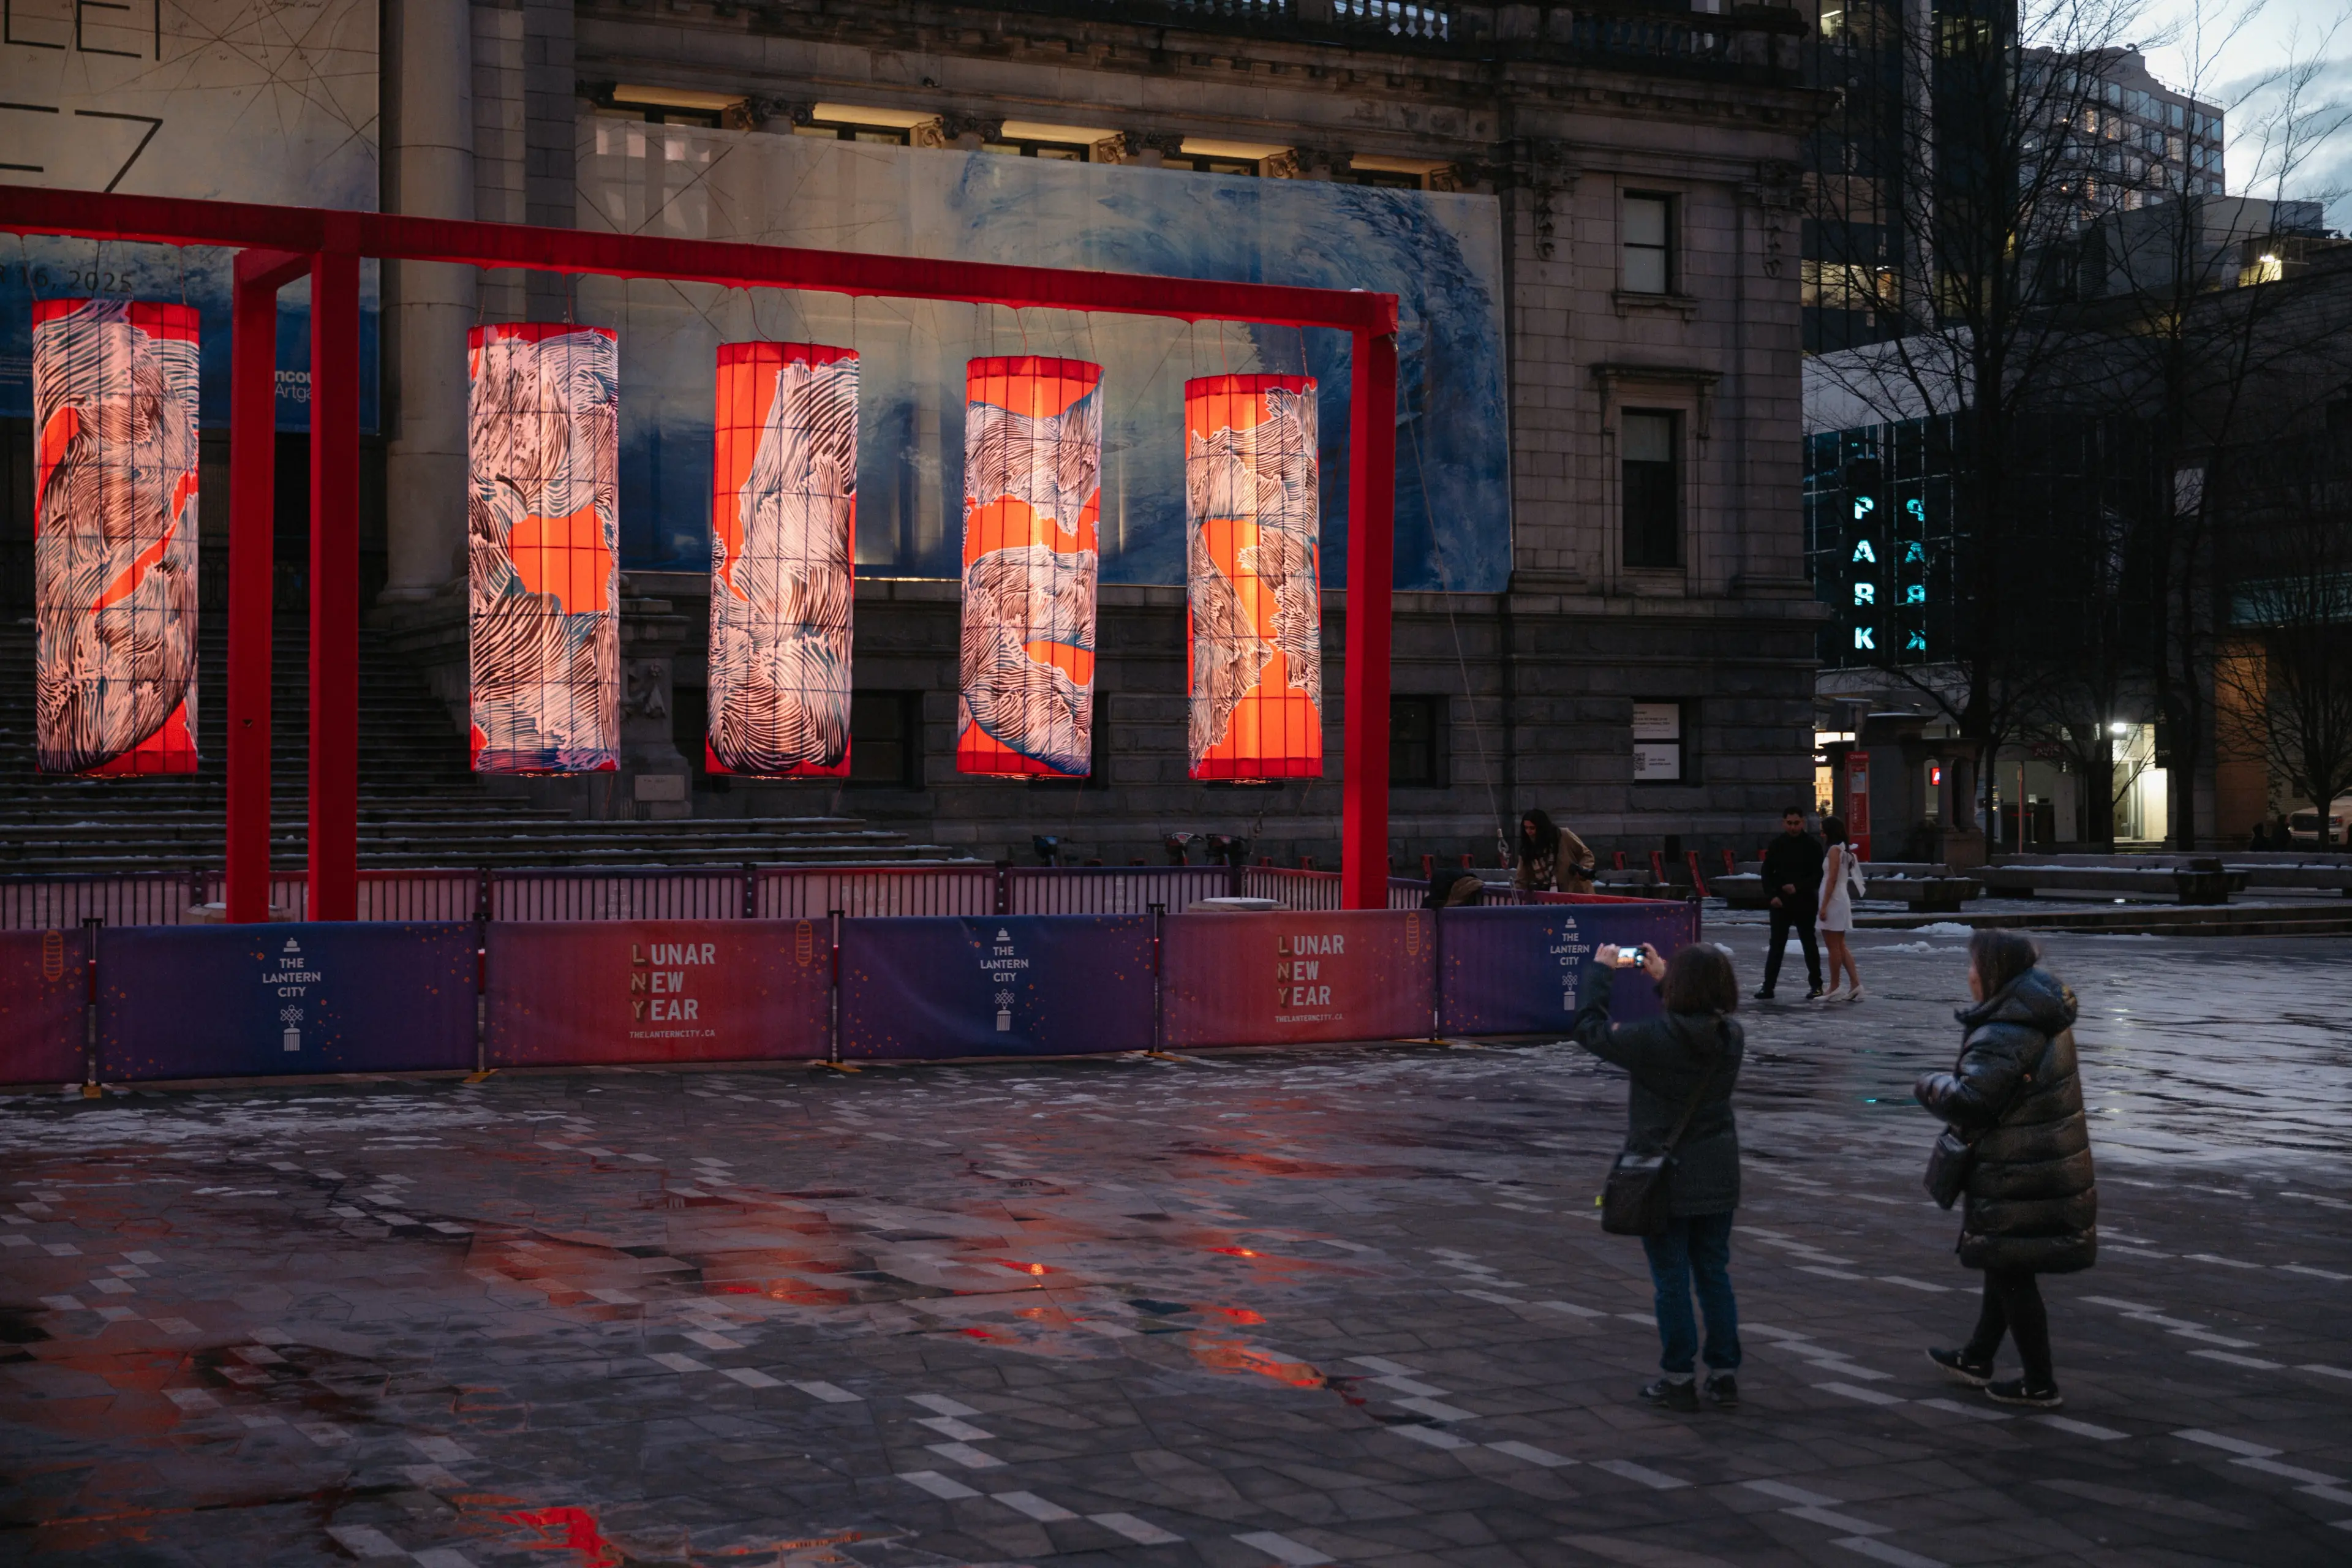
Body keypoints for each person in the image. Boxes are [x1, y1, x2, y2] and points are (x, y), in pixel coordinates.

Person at [1914, 930, 2097, 1409]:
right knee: (2005, 1263)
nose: (1969, 975)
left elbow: (1973, 1100)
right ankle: (1977, 1356)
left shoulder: (2008, 1028)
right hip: (2037, 1162)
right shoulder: (2035, 1012)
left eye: (1974, 965)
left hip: (2019, 1169)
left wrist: (1930, 1084)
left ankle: (2040, 1383)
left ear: (1993, 971)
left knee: (2013, 1274)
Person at [1571, 940, 1746, 1413]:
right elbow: (1696, 1018)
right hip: (1717, 1174)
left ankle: (1678, 1375)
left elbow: (1589, 1030)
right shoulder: (1731, 1036)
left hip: (1662, 1177)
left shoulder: (1653, 1040)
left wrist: (1601, 972)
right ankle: (1725, 1372)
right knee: (1714, 1273)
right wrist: (1667, 977)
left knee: (1671, 1280)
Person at [1756, 808, 1825, 1000]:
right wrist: (1773, 896)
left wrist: (1798, 887)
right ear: (1783, 823)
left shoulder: (1812, 845)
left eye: (1796, 823)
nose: (1793, 827)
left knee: (1809, 944)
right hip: (1780, 903)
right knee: (1776, 945)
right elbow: (1767, 873)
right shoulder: (1777, 844)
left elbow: (1818, 875)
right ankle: (1768, 986)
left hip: (1804, 902)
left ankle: (1816, 985)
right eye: (1789, 823)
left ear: (1803, 822)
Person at [1816, 815, 1864, 1002]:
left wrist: (1824, 905)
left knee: (1833, 945)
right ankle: (1855, 984)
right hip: (1839, 898)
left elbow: (1832, 878)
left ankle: (1835, 986)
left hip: (1834, 899)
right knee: (1840, 945)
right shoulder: (1843, 851)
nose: (1821, 833)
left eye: (1823, 830)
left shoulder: (1835, 851)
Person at [1514, 810, 1596, 894]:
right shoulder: (1527, 848)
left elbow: (1586, 855)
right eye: (1526, 828)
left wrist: (1582, 870)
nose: (1529, 832)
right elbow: (1521, 878)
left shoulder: (1563, 835)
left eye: (1532, 828)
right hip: (1548, 896)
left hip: (1575, 891)